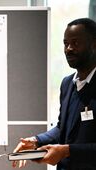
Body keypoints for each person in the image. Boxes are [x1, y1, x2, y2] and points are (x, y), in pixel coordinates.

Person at [12, 18, 96, 170]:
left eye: (75, 43)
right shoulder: (67, 84)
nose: (69, 49)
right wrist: (36, 141)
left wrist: (67, 151)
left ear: (94, 44)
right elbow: (61, 128)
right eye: (65, 43)